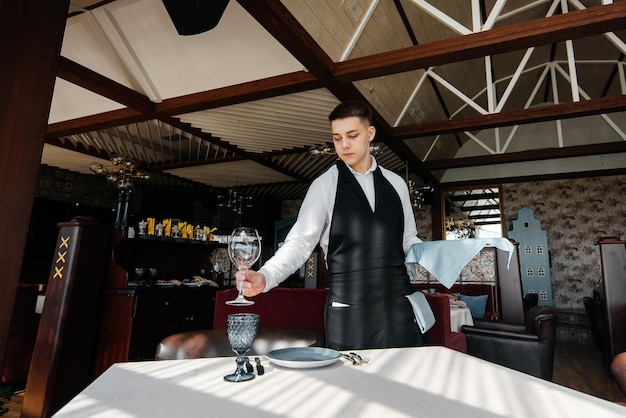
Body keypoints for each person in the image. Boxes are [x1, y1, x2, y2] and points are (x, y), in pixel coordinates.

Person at [237, 100, 425, 350]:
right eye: (337, 138)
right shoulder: (324, 185)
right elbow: (299, 244)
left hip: (399, 305)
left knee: (407, 377)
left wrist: (439, 255)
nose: (344, 145)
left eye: (352, 135)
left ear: (370, 134)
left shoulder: (397, 184)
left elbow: (409, 240)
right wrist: (266, 276)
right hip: (351, 310)